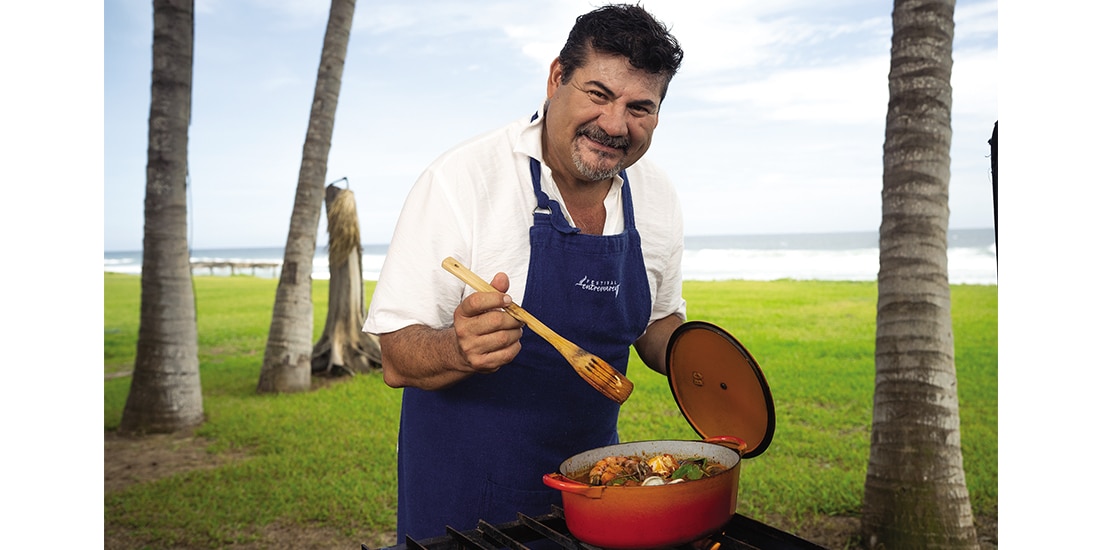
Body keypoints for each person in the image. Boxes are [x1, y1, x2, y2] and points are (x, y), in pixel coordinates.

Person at [363, 4, 687, 541]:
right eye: (598, 94)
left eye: (639, 108)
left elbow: (656, 321)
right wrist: (458, 348)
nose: (614, 125)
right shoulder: (462, 179)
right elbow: (396, 356)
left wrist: (704, 365)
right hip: (465, 499)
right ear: (557, 78)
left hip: (591, 488)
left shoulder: (656, 194)